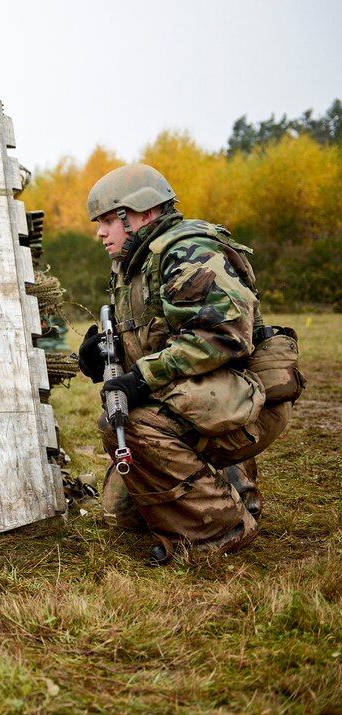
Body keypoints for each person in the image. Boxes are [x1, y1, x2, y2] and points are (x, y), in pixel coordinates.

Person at [77, 164, 303, 565]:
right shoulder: (138, 262)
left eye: (110, 220)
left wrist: (140, 380)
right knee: (121, 512)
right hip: (204, 398)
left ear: (142, 213)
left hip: (243, 399)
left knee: (136, 423)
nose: (100, 232)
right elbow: (158, 340)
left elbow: (221, 336)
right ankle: (232, 488)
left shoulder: (188, 250)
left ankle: (218, 532)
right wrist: (100, 358)